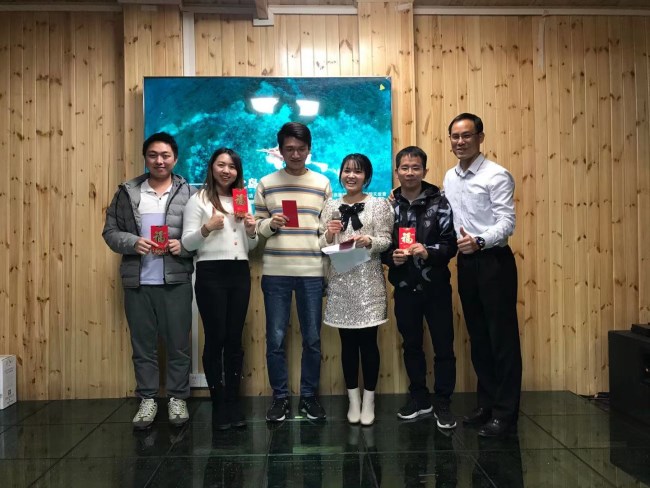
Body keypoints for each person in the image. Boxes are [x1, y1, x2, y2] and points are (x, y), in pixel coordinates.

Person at [103, 132, 195, 429]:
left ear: (175, 159)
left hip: (175, 280)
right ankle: (147, 399)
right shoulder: (128, 192)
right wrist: (132, 242)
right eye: (153, 155)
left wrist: (183, 246)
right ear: (145, 158)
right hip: (138, 282)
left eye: (165, 155)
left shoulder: (189, 193)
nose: (159, 160)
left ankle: (178, 398)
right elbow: (110, 232)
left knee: (178, 345)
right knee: (143, 346)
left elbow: (199, 236)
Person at [442, 112, 522, 437]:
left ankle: (506, 413)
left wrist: (480, 240)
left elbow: (507, 222)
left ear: (480, 138)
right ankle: (487, 403)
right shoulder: (450, 177)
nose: (460, 142)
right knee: (478, 336)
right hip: (466, 263)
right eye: (455, 136)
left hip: (493, 261)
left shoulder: (496, 175)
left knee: (502, 339)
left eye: (467, 135)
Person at [254, 122, 332, 422]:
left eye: (301, 149)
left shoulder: (322, 183)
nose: (296, 154)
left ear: (309, 149)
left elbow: (325, 230)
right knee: (275, 338)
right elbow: (256, 227)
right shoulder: (266, 183)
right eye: (289, 149)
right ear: (280, 150)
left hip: (312, 270)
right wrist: (270, 225)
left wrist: (330, 238)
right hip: (276, 271)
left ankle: (309, 397)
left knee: (312, 338)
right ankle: (280, 398)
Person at [382, 146, 458, 429]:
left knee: (443, 346)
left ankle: (443, 402)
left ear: (424, 170)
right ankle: (419, 398)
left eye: (416, 167)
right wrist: (391, 257)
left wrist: (428, 251)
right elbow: (383, 245)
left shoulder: (440, 201)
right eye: (405, 167)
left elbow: (450, 244)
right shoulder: (389, 205)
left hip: (436, 287)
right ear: (397, 171)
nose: (410, 172)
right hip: (404, 287)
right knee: (411, 345)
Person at [182, 148, 257, 430]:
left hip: (239, 272)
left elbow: (250, 246)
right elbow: (187, 243)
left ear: (238, 171)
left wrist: (251, 230)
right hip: (211, 272)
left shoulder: (242, 200)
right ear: (212, 168)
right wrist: (207, 227)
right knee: (216, 338)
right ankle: (218, 404)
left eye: (232, 166)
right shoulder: (198, 199)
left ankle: (233, 401)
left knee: (234, 339)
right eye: (221, 165)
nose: (227, 171)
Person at [318, 154, 393, 426]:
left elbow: (386, 240)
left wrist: (369, 240)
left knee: (369, 344)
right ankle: (353, 401)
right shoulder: (331, 205)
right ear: (340, 174)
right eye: (347, 171)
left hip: (369, 283)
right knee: (347, 345)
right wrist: (329, 234)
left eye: (358, 172)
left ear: (367, 177)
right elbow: (321, 244)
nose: (351, 176)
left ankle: (369, 400)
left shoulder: (378, 204)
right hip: (340, 282)